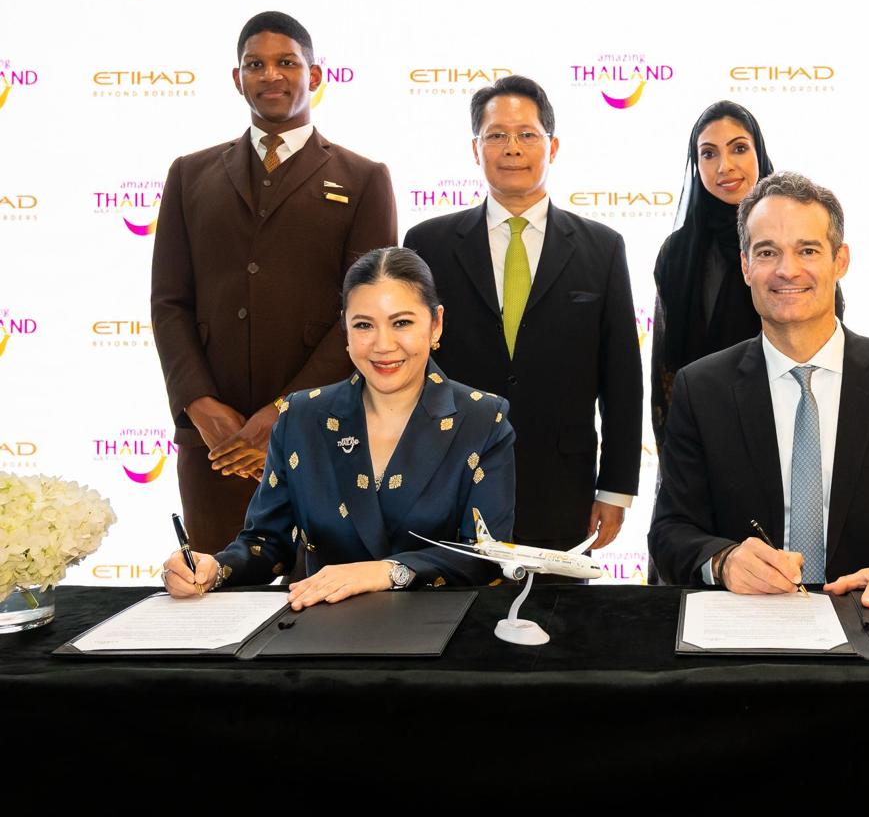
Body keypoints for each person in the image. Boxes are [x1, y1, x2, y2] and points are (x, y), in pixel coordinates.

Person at [649, 172, 869, 612]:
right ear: (745, 266)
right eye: (767, 252)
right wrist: (723, 562)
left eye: (807, 250)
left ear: (840, 260)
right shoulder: (701, 388)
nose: (787, 270)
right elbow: (670, 532)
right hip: (744, 627)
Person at [151, 11, 397, 553]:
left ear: (315, 75)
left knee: (328, 592)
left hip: (325, 431)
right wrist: (198, 404)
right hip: (217, 442)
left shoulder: (363, 178)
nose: (270, 75)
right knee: (217, 585)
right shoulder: (189, 174)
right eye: (254, 65)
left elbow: (366, 313)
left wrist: (287, 411)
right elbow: (169, 302)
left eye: (286, 62)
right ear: (236, 79)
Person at [162, 247, 516, 606]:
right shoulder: (301, 415)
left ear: (435, 323)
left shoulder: (483, 419)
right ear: (344, 328)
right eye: (364, 325)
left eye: (402, 323)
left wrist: (388, 572)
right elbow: (266, 544)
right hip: (321, 628)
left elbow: (485, 556)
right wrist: (215, 568)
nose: (383, 345)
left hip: (439, 630)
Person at [403, 75, 642, 554]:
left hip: (561, 489)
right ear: (476, 149)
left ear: (552, 146)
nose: (512, 147)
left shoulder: (602, 248)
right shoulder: (427, 244)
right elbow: (407, 367)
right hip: (447, 479)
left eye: (527, 134)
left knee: (555, 603)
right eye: (496, 135)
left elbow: (621, 379)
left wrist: (615, 489)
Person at [651, 101, 774, 450]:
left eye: (739, 148)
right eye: (708, 153)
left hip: (781, 432)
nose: (725, 166)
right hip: (700, 438)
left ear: (759, 152)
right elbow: (665, 369)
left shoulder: (794, 237)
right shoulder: (678, 253)